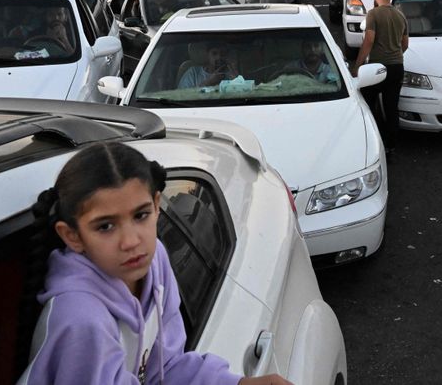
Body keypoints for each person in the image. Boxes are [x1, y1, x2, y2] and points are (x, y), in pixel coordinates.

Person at [19, 142, 291, 385]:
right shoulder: (80, 320)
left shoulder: (154, 260)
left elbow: (166, 367)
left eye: (140, 215)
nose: (130, 241)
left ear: (157, 204)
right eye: (105, 226)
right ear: (72, 236)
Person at [351, 0, 408, 155]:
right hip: (397, 66)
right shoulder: (401, 16)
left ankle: (373, 141)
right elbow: (404, 44)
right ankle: (391, 146)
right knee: (392, 108)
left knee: (368, 103)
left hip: (377, 68)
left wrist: (357, 66)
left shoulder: (373, 14)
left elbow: (369, 40)